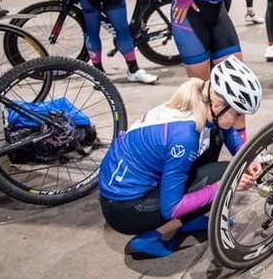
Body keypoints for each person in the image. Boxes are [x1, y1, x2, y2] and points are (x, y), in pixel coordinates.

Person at [99, 57, 261, 258]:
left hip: (125, 189)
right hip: (125, 209)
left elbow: (225, 129)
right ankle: (151, 238)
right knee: (225, 177)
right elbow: (171, 207)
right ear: (219, 106)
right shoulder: (185, 137)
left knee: (218, 136)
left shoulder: (202, 98)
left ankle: (190, 221)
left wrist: (247, 157)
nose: (239, 120)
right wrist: (223, 188)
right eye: (238, 114)